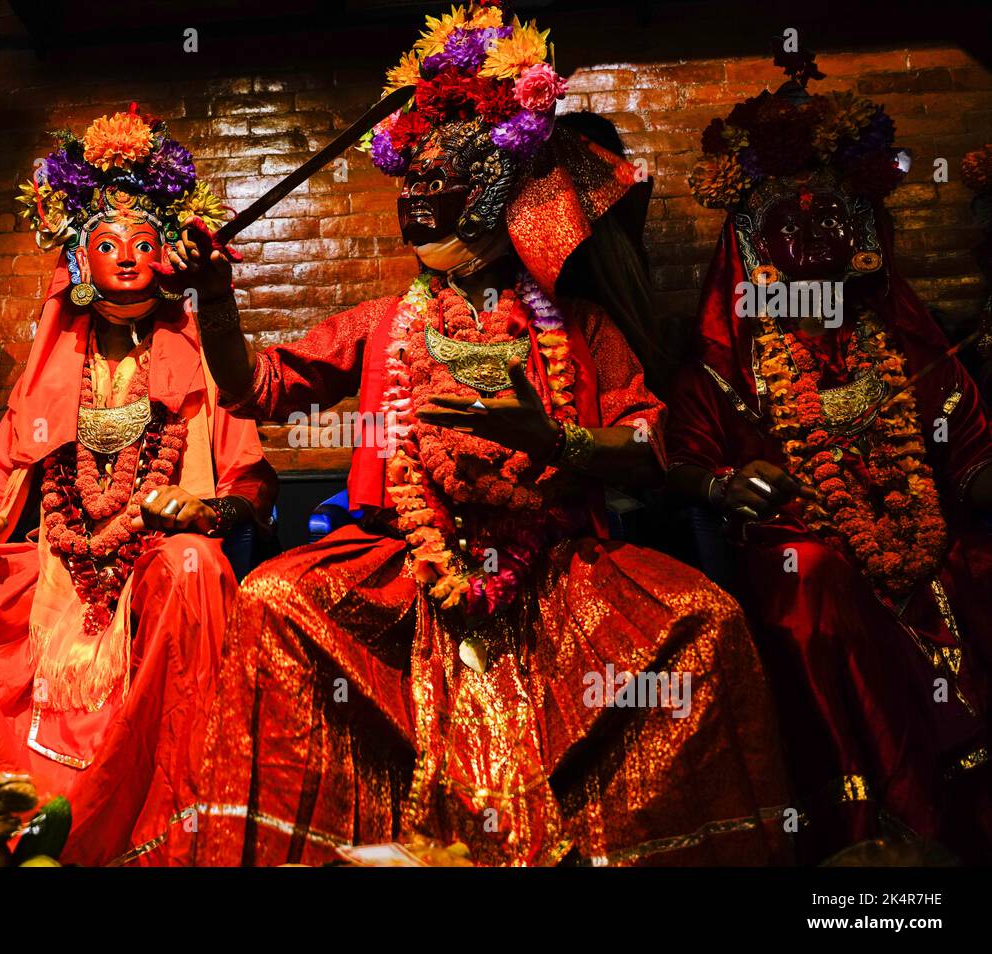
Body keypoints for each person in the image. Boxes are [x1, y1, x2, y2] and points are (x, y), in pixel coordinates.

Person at [160, 1, 792, 866]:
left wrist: (553, 437)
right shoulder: (386, 319)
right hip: (407, 567)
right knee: (270, 600)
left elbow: (649, 449)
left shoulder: (576, 324)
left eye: (445, 201)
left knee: (707, 622)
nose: (424, 219)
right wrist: (216, 300)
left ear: (507, 205)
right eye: (414, 203)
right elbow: (253, 387)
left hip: (554, 571)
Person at [0, 110, 277, 866]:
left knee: (191, 565)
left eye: (144, 244)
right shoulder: (49, 371)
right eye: (107, 245)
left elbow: (257, 485)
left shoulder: (203, 361)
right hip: (53, 572)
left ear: (166, 256)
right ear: (77, 259)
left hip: (149, 579)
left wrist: (208, 510)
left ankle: (177, 823)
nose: (126, 259)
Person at [667, 51, 992, 861]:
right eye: (792, 222)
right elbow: (679, 458)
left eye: (831, 219)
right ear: (754, 242)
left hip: (920, 539)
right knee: (815, 576)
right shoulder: (726, 354)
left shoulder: (904, 336)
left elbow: (971, 447)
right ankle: (864, 819)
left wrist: (979, 478)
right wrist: (725, 482)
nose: (814, 237)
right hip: (798, 545)